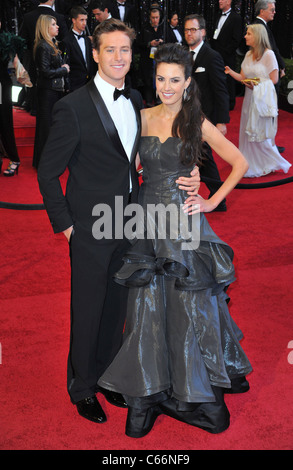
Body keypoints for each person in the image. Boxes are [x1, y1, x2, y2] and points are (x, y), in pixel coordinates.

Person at [38, 19, 200, 424]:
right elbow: (47, 171)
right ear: (95, 54)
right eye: (109, 50)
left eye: (124, 50)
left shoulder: (137, 99)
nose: (118, 57)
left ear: (133, 55)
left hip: (129, 220)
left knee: (117, 307)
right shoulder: (71, 107)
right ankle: (82, 388)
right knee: (88, 308)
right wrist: (66, 225)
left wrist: (192, 173)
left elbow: (147, 153)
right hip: (89, 226)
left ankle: (109, 378)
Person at [98, 42, 252, 439]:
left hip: (183, 226)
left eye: (175, 80)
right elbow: (129, 166)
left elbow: (240, 162)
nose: (167, 86)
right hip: (148, 221)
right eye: (161, 79)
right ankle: (149, 391)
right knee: (147, 308)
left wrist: (210, 199)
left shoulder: (194, 120)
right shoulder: (142, 115)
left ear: (187, 82)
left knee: (187, 308)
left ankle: (190, 394)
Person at [225, 24, 291, 178]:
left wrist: (257, 84)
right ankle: (247, 162)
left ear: (257, 36)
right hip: (249, 99)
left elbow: (274, 80)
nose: (245, 36)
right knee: (248, 131)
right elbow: (243, 78)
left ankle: (267, 162)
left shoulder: (269, 55)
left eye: (248, 33)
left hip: (261, 100)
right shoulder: (248, 55)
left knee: (260, 132)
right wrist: (230, 72)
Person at [184, 14, 230, 211]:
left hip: (205, 117)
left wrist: (221, 121)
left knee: (203, 155)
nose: (189, 33)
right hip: (184, 116)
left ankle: (218, 198)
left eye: (193, 30)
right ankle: (216, 197)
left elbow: (221, 90)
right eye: (186, 30)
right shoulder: (182, 55)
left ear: (203, 31)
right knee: (199, 156)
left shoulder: (212, 57)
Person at [19, 0, 68, 115]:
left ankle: (34, 107)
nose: (57, 27)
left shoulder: (28, 17)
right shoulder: (59, 17)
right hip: (54, 66)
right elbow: (66, 42)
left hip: (32, 62)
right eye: (54, 25)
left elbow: (21, 42)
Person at [33, 15, 69, 169]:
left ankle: (46, 161)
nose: (57, 26)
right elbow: (45, 71)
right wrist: (63, 69)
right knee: (46, 127)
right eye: (54, 24)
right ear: (46, 27)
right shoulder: (43, 46)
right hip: (48, 92)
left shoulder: (50, 44)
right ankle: (44, 163)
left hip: (53, 91)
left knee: (51, 127)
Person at [253, 0, 286, 153]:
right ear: (262, 11)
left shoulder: (262, 26)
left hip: (269, 73)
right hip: (268, 75)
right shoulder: (259, 27)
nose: (274, 12)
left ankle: (268, 144)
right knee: (268, 111)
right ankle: (268, 145)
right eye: (271, 10)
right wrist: (280, 66)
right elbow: (270, 50)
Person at [211, 0, 243, 110]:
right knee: (216, 78)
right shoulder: (217, 16)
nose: (219, 1)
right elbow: (215, 33)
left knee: (229, 79)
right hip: (216, 54)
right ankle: (218, 101)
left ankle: (230, 103)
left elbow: (236, 39)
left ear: (229, 1)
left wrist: (225, 52)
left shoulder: (236, 18)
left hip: (228, 55)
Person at [0, 19, 20, 176]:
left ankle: (14, 159)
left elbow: (16, 64)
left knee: (5, 122)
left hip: (1, 86)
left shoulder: (7, 41)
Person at [61, 6, 96, 93]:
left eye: (86, 20)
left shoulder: (87, 40)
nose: (84, 23)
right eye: (81, 20)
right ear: (73, 20)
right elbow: (66, 64)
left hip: (90, 84)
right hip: (75, 85)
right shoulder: (66, 41)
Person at [138, 7, 164, 107]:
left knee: (159, 78)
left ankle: (159, 99)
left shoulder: (163, 27)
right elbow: (138, 43)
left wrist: (161, 42)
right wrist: (150, 43)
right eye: (153, 18)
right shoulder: (145, 28)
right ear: (150, 18)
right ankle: (149, 101)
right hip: (147, 60)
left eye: (157, 17)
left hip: (160, 59)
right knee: (148, 80)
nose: (155, 20)